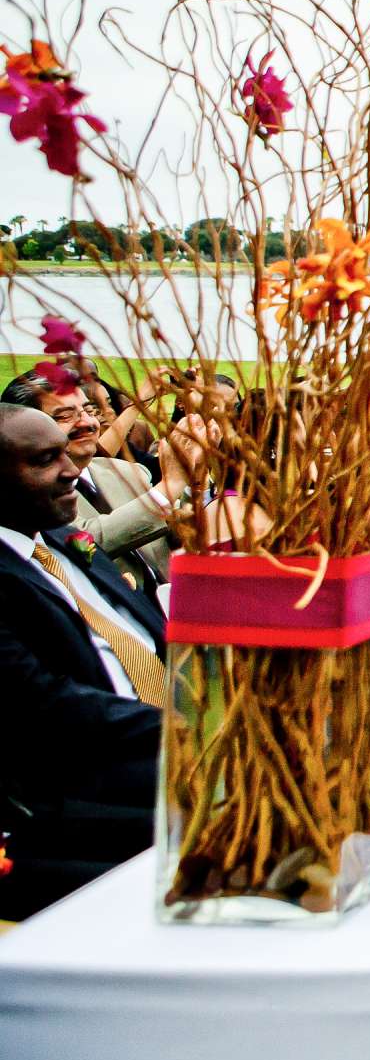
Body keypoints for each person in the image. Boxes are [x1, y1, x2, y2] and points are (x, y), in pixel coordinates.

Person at [0, 402, 169, 920]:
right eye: (45, 460)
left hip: (158, 739)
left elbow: (151, 634)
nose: (74, 468)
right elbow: (47, 706)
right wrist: (189, 731)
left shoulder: (57, 537)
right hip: (84, 780)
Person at [2, 367, 208, 592]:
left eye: (88, 410)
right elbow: (80, 541)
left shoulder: (127, 471)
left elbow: (182, 535)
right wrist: (170, 487)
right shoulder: (32, 492)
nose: (86, 422)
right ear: (30, 429)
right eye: (65, 416)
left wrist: (195, 485)